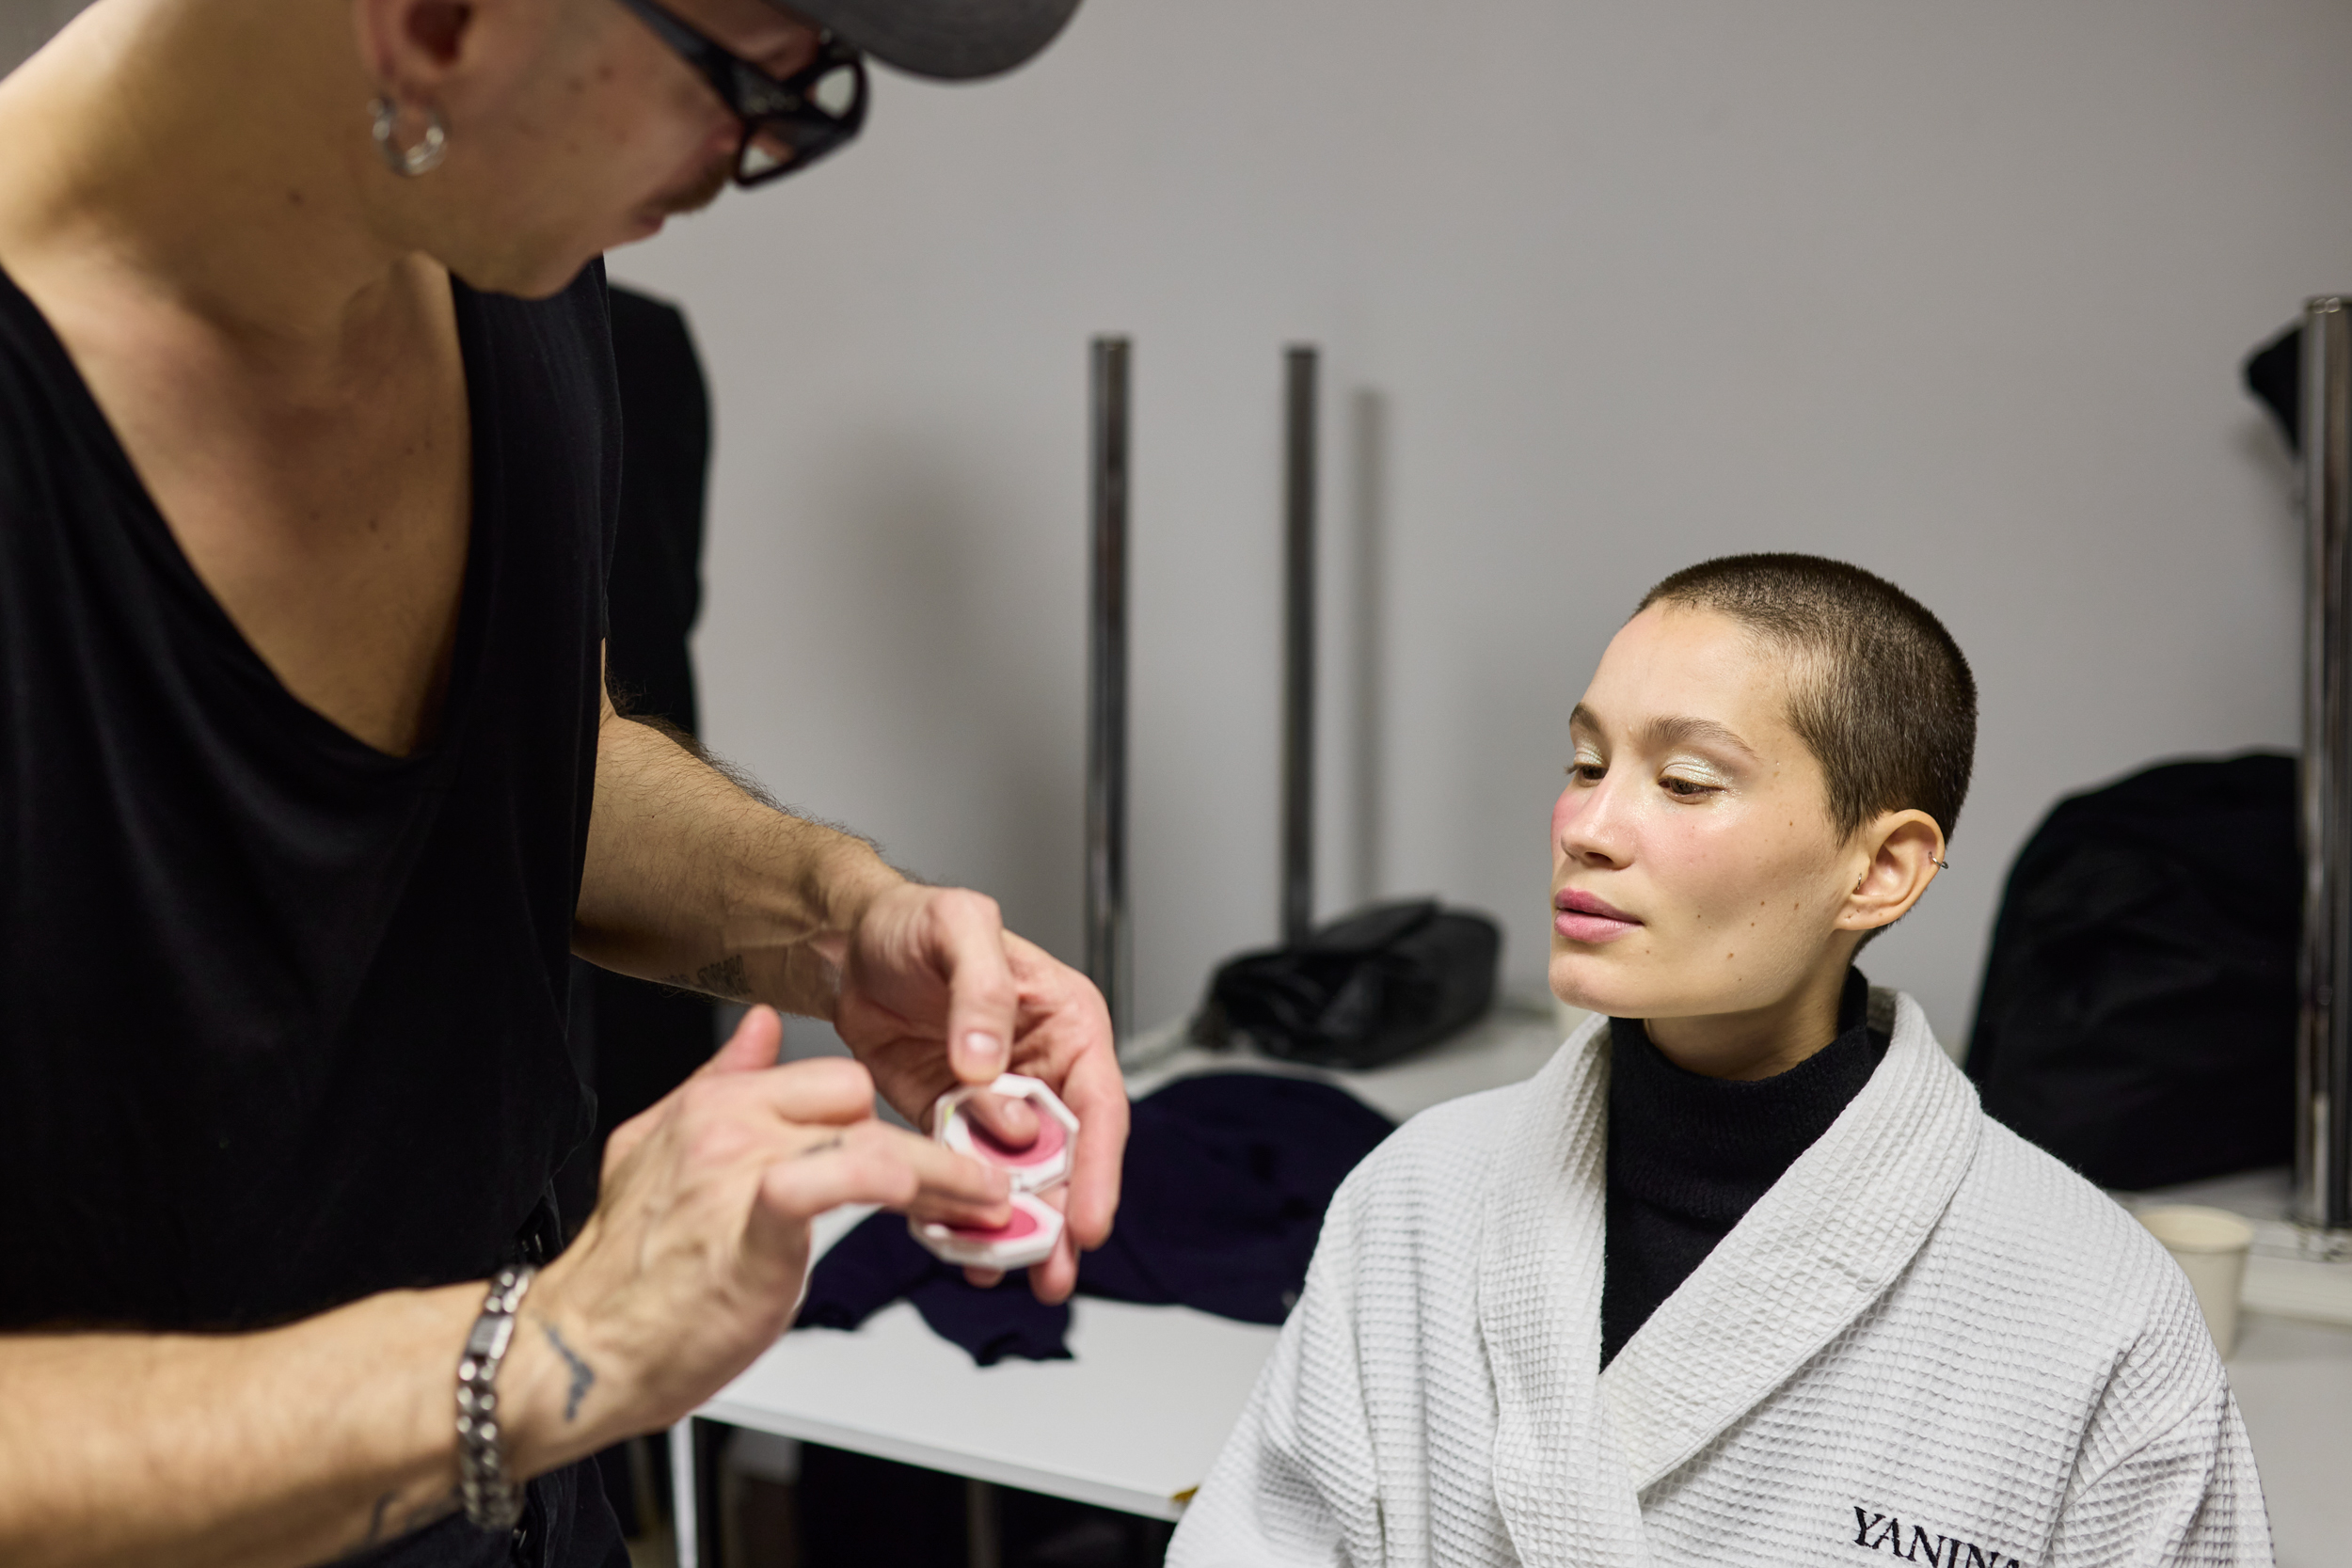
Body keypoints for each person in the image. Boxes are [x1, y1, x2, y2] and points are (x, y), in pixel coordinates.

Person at [0, 0, 1128, 1562]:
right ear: (439, 20)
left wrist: (830, 918)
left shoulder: (498, 250)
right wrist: (527, 1360)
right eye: (750, 75)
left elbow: (529, 754)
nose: (754, 154)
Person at [1169, 554, 2272, 1568]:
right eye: (1587, 760)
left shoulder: (2096, 1309)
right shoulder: (1419, 1194)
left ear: (1880, 868)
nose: (1588, 826)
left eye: (1686, 781)